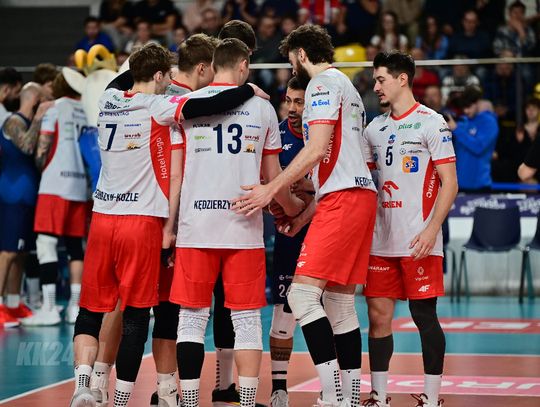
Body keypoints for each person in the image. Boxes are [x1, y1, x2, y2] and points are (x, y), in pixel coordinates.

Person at [69, 43, 269, 407]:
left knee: (91, 310)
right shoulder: (158, 106)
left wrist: (143, 62)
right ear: (160, 75)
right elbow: (208, 106)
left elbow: (119, 80)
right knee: (138, 315)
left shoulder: (108, 99)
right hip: (144, 221)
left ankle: (86, 385)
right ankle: (125, 399)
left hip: (102, 218)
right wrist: (247, 90)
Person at [234, 24, 378, 407]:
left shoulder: (322, 84)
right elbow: (344, 158)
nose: (292, 68)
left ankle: (331, 396)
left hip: (343, 198)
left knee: (300, 295)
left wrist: (271, 187)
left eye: (291, 60)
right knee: (340, 305)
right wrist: (304, 214)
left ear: (300, 54)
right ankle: (349, 398)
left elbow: (315, 150)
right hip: (359, 196)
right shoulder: (349, 88)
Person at [168, 37, 304, 407]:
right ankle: (246, 402)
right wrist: (295, 209)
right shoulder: (261, 108)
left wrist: (170, 226)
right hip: (243, 228)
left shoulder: (186, 104)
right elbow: (273, 178)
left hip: (196, 226)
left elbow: (175, 175)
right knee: (246, 321)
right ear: (243, 65)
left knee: (191, 319)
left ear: (213, 64)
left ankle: (190, 402)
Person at [362, 50, 458, 407]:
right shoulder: (374, 128)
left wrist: (432, 230)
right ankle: (379, 395)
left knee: (423, 316)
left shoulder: (432, 122)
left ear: (402, 79)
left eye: (381, 79)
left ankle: (431, 397)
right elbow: (364, 181)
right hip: (381, 241)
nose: (376, 87)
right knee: (377, 317)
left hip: (419, 240)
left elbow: (450, 183)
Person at [20, 71, 89, 326]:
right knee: (75, 247)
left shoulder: (53, 108)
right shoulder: (86, 109)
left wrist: (39, 167)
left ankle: (49, 308)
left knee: (46, 245)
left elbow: (42, 149)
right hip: (80, 185)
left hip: (54, 184)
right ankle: (74, 307)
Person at [267, 76, 313, 407]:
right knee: (283, 315)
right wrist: (279, 202)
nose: (293, 108)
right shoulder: (277, 135)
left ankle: (333, 387)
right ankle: (279, 389)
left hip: (322, 233)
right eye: (289, 101)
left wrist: (306, 197)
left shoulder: (324, 136)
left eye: (300, 102)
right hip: (287, 237)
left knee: (330, 313)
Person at [0, 83, 51, 327]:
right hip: (13, 194)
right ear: (35, 100)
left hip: (28, 193)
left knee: (21, 253)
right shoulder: (13, 122)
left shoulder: (29, 123)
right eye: (43, 100)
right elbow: (28, 146)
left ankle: (13, 304)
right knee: (8, 252)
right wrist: (40, 117)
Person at [446, 85, 498, 192]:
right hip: (458, 185)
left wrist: (456, 129)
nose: (466, 110)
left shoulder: (489, 122)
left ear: (478, 102)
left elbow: (478, 147)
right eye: (463, 107)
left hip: (480, 186)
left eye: (469, 106)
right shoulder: (462, 121)